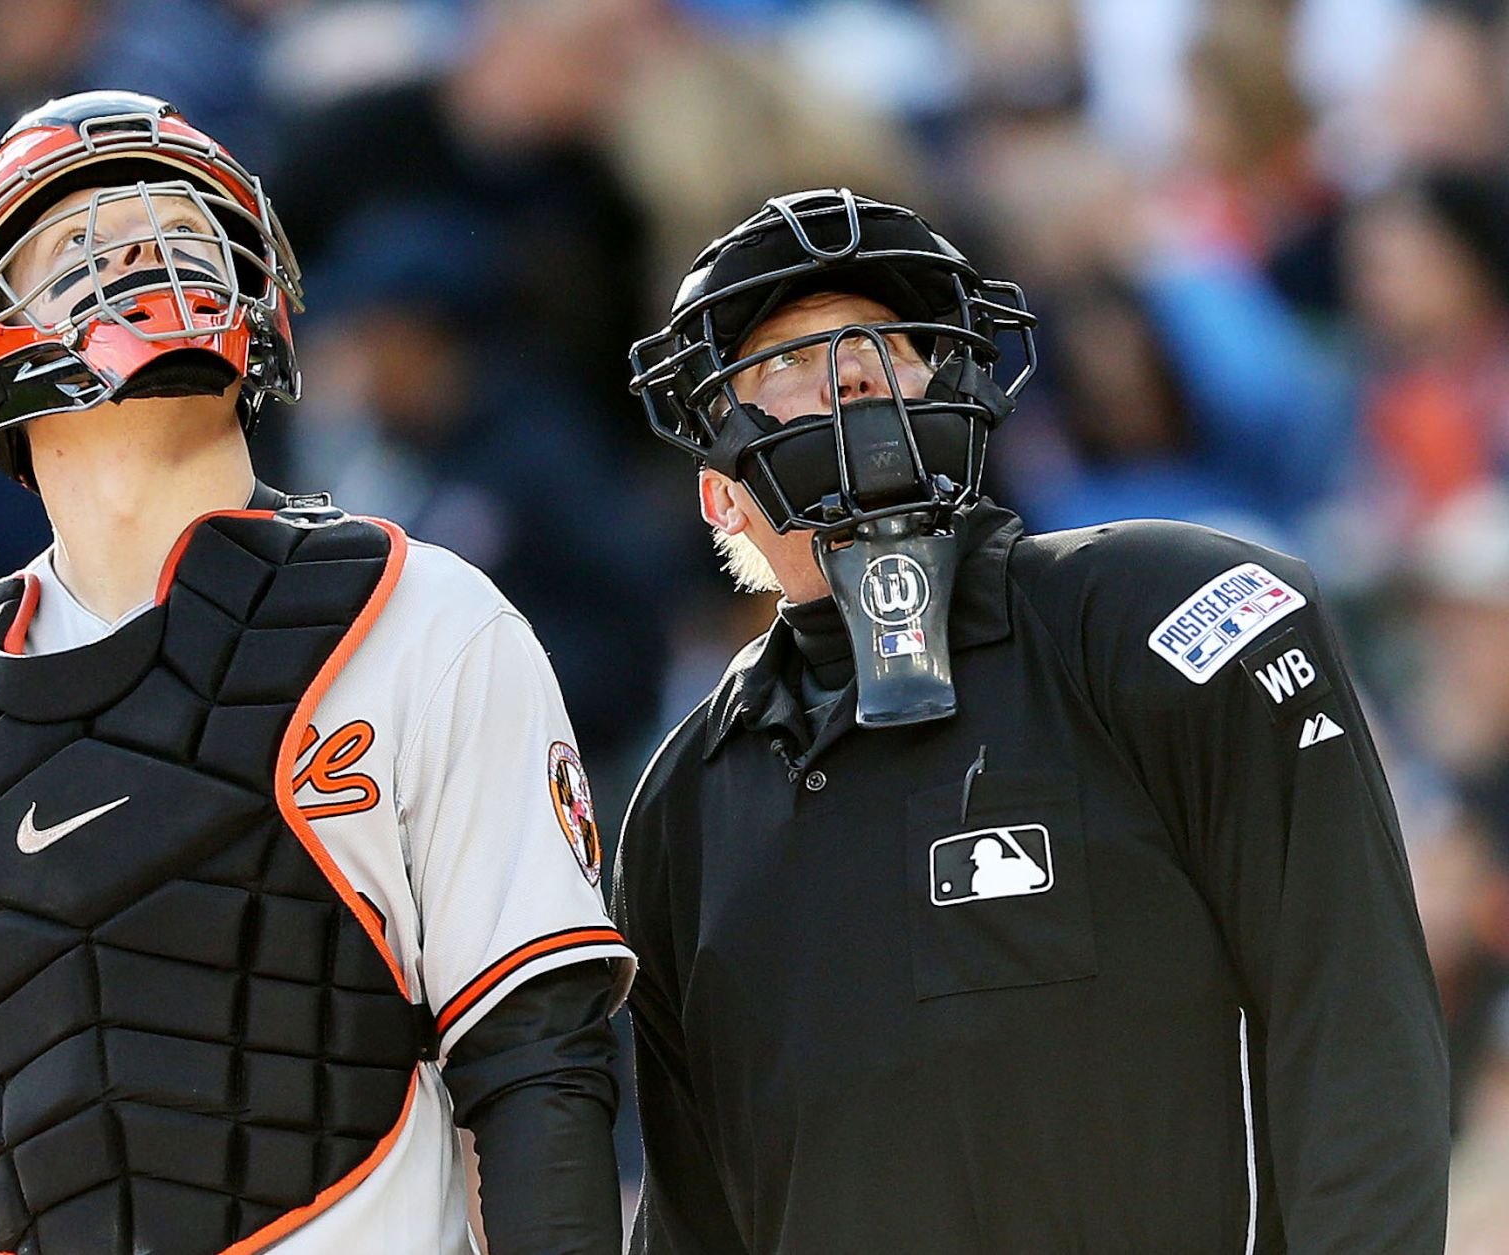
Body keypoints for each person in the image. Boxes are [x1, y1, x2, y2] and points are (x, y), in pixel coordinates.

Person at [0, 91, 634, 1255]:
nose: (143, 253)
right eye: (81, 238)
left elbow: (540, 1061)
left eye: (183, 230)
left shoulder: (424, 617)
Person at [616, 188, 1449, 1253]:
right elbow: (696, 1220)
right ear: (716, 494)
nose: (856, 370)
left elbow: (1357, 1032)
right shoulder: (684, 805)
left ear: (955, 381)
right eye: (786, 359)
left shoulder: (1169, 620)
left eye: (888, 342)